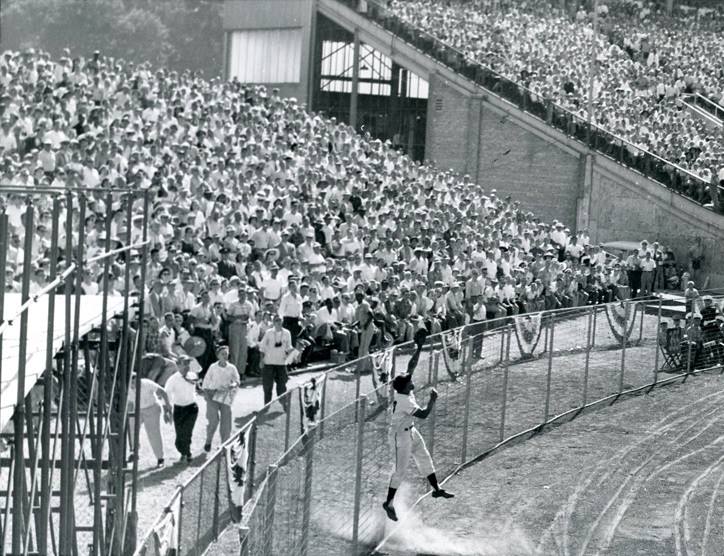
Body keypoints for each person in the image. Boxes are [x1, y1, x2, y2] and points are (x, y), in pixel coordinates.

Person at [382, 330, 453, 522]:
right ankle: (388, 503)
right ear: (405, 388)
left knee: (424, 457)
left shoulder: (404, 389)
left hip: (411, 431)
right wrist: (432, 400)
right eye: (410, 382)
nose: (413, 382)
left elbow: (410, 365)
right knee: (400, 470)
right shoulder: (404, 400)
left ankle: (436, 489)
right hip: (399, 437)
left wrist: (419, 347)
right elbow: (423, 414)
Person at [128, 375, 172, 468]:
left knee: (153, 433)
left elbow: (162, 392)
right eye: (131, 382)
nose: (133, 384)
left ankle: (160, 458)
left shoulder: (147, 383)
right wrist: (129, 415)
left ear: (139, 380)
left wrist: (167, 408)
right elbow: (129, 403)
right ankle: (134, 452)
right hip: (137, 410)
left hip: (151, 408)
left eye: (134, 381)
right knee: (131, 430)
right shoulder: (127, 387)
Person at [201, 344, 239, 452]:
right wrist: (207, 395)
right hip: (212, 395)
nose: (225, 356)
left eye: (226, 354)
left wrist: (234, 384)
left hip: (225, 396)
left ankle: (225, 446)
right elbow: (206, 382)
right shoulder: (213, 367)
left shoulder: (232, 368)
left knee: (226, 423)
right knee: (213, 421)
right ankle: (208, 441)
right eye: (223, 354)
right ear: (218, 355)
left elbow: (237, 380)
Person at [164, 355, 199, 463]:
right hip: (179, 409)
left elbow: (197, 385)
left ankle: (188, 454)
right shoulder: (173, 379)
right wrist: (167, 410)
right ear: (178, 365)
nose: (186, 366)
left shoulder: (193, 376)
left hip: (192, 408)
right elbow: (167, 394)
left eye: (188, 364)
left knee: (187, 432)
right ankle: (183, 451)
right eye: (184, 364)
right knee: (179, 435)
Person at [259, 314, 292, 411]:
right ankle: (266, 406)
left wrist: (294, 352)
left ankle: (284, 403)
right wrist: (261, 360)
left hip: (281, 363)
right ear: (273, 322)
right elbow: (262, 347)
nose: (279, 322)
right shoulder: (269, 332)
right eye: (276, 320)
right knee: (267, 386)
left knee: (282, 385)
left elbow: (288, 347)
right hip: (269, 363)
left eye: (280, 320)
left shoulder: (287, 333)